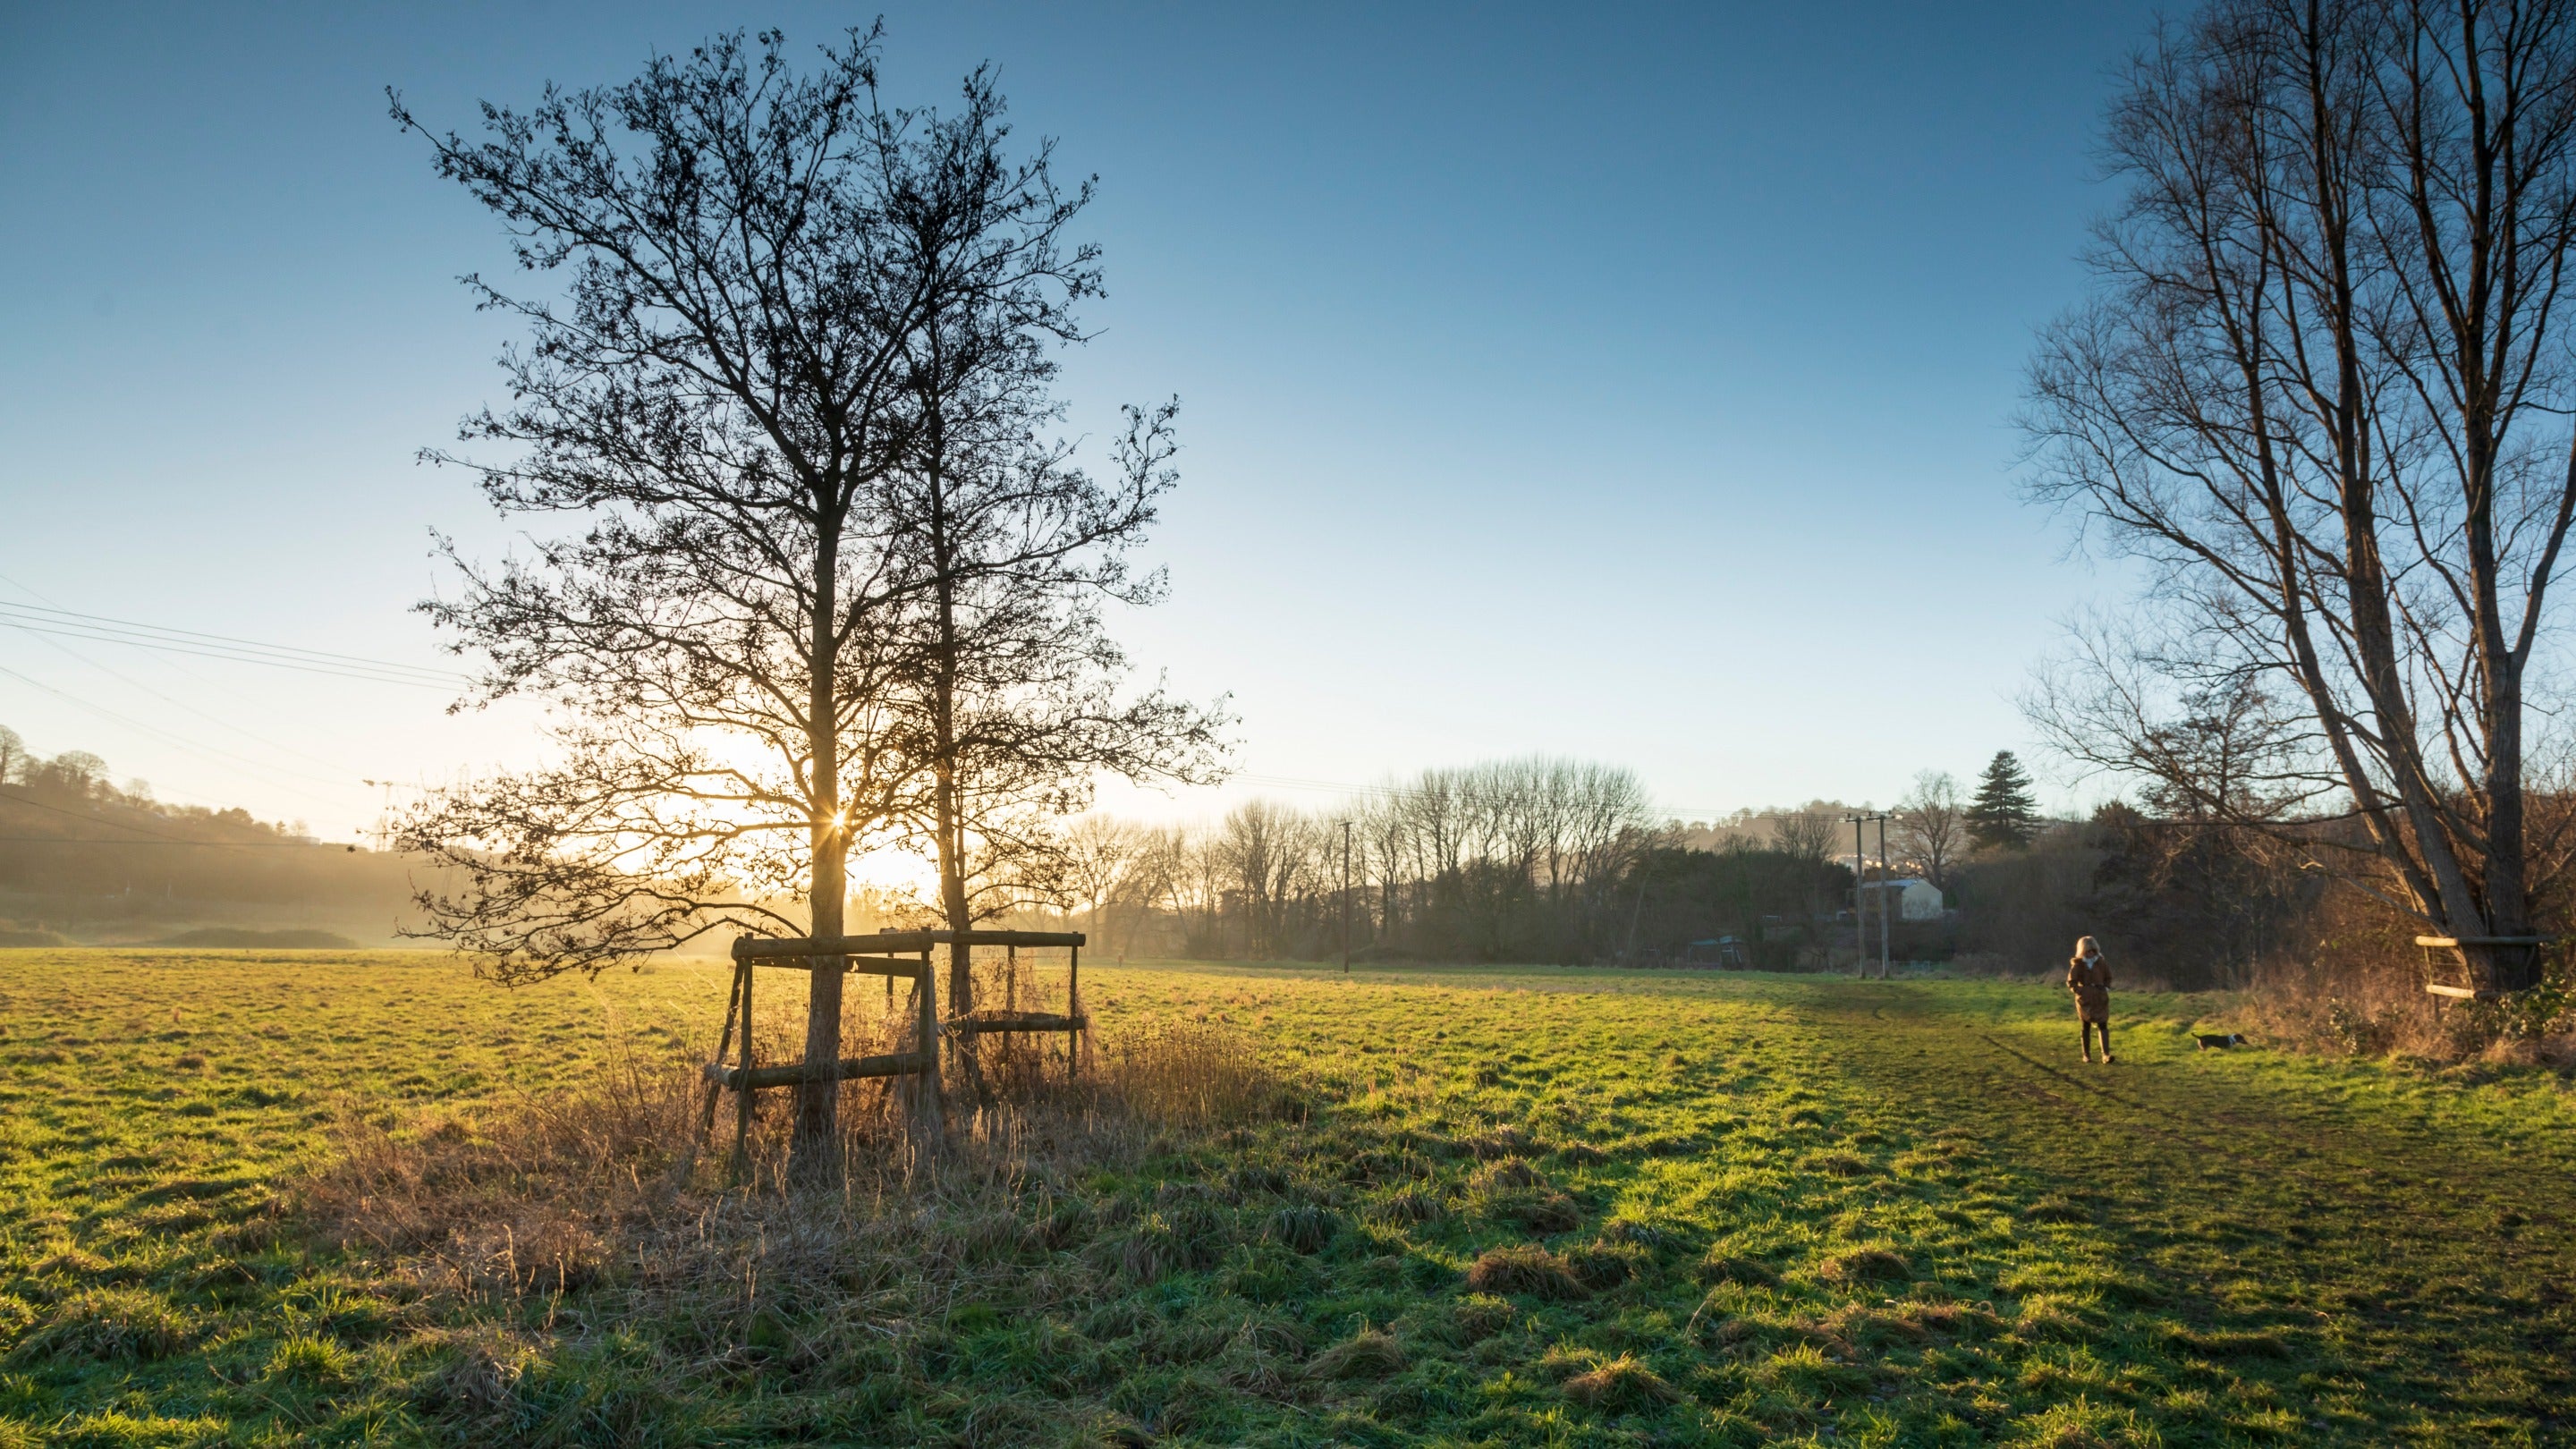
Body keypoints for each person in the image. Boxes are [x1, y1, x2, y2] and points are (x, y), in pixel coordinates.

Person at [2067, 936, 2113, 1063]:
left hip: (2100, 998)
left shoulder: (2101, 963)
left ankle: (2106, 1055)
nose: (2091, 953)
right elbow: (2071, 982)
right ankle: (2086, 1055)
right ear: (2083, 951)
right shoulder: (2078, 965)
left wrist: (2106, 988)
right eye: (2088, 950)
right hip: (2085, 1000)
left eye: (2093, 950)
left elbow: (2108, 977)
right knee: (2085, 1025)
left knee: (2103, 1024)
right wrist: (2080, 991)